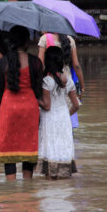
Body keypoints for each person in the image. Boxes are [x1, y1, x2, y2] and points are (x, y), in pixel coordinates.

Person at [0, 26, 43, 180]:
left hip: (9, 109)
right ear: (26, 42)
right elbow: (38, 90)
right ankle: (28, 183)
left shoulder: (2, 63)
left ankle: (11, 187)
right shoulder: (36, 62)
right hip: (29, 109)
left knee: (9, 149)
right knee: (28, 147)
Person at [38, 46, 79, 179]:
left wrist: (36, 99)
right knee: (63, 145)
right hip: (64, 117)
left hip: (50, 119)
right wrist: (66, 114)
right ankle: (65, 181)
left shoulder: (46, 81)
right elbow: (76, 105)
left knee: (51, 147)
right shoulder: (68, 80)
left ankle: (50, 181)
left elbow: (47, 106)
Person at [38, 33, 84, 128]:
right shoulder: (70, 39)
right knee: (66, 117)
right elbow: (76, 65)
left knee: (48, 115)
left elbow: (40, 63)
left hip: (50, 78)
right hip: (66, 80)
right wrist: (82, 85)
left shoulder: (44, 39)